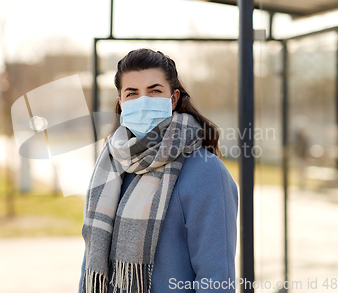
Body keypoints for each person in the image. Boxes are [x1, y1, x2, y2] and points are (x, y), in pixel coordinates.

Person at [79, 48, 238, 293]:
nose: (143, 102)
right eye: (132, 94)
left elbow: (216, 277)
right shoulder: (111, 167)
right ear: (121, 103)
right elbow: (91, 260)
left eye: (154, 91)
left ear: (173, 99)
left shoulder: (206, 172)